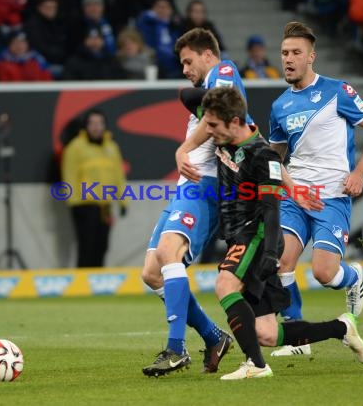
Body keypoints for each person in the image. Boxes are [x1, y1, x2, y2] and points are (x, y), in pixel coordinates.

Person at [196, 86, 363, 380]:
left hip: (257, 236)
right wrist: (181, 149)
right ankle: (342, 328)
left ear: (234, 122)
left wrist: (273, 253)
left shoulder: (263, 157)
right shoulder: (224, 134)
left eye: (212, 125)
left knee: (225, 284)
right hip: (240, 236)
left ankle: (256, 365)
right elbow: (188, 97)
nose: (206, 130)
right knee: (266, 332)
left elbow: (272, 208)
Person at [268, 21, 363, 356]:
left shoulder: (337, 91)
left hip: (332, 197)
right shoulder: (279, 106)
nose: (288, 59)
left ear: (311, 57)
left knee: (323, 272)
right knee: (282, 263)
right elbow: (276, 158)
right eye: (284, 53)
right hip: (296, 197)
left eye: (296, 53)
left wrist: (360, 172)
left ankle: (353, 278)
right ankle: (297, 338)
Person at [140, 27, 250, 377]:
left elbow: (222, 104)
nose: (185, 68)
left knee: (169, 253)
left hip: (207, 186)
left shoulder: (224, 69)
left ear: (208, 54)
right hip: (188, 187)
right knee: (153, 272)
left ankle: (175, 349)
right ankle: (213, 336)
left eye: (188, 61)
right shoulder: (205, 91)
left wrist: (184, 147)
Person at [61, 109, 128, 268]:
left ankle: (96, 282)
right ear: (86, 126)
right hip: (85, 205)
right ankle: (83, 284)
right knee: (86, 245)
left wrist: (123, 201)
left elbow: (118, 176)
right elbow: (69, 175)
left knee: (102, 245)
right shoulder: (76, 147)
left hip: (105, 205)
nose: (96, 127)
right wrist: (74, 202)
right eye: (92, 123)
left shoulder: (111, 147)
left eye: (100, 123)